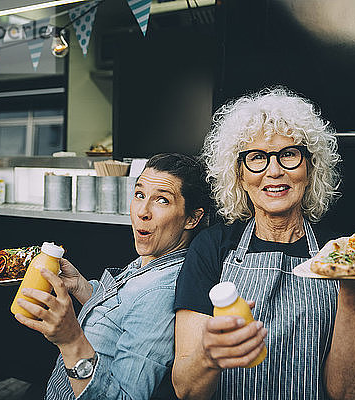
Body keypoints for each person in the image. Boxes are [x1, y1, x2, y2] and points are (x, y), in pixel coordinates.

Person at [172, 87, 355, 400]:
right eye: (256, 157)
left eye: (289, 154)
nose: (274, 171)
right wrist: (208, 357)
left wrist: (354, 294)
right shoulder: (211, 248)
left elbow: (347, 393)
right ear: (238, 175)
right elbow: (186, 390)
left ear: (311, 168)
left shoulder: (344, 254)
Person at [13, 153, 211, 399]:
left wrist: (71, 340)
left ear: (192, 218)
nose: (142, 211)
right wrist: (82, 287)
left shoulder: (159, 293)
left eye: (161, 200)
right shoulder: (151, 262)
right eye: (139, 194)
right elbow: (123, 314)